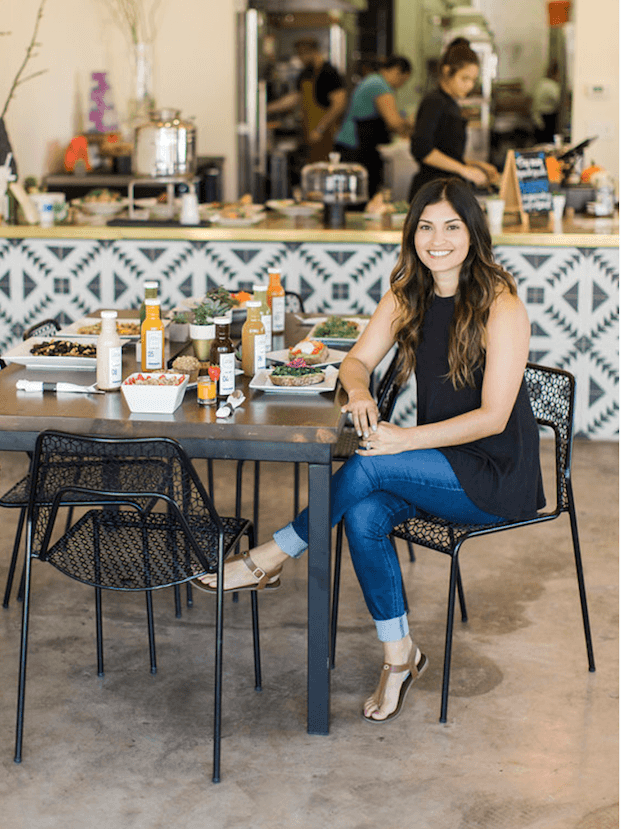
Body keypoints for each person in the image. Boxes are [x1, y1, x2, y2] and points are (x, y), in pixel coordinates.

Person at [194, 177, 544, 724]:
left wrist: (403, 438)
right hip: (438, 463)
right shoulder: (409, 294)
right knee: (361, 512)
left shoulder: (502, 306)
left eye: (452, 226)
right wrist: (357, 390)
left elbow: (493, 417)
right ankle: (399, 655)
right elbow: (354, 361)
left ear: (473, 233)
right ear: (412, 234)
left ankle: (271, 555)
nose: (438, 240)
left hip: (495, 473)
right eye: (426, 227)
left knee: (367, 462)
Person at [409, 42, 498, 201]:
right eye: (464, 78)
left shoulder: (451, 103)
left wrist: (475, 165)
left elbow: (447, 152)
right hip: (431, 191)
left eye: (473, 80)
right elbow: (422, 149)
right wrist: (464, 170)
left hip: (446, 189)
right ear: (447, 71)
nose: (469, 85)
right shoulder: (434, 102)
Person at [334, 55, 413, 198]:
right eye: (403, 80)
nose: (400, 85)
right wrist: (412, 124)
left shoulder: (372, 80)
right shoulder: (379, 84)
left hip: (350, 145)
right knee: (357, 197)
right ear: (396, 71)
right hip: (355, 148)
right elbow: (393, 122)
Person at [266, 37, 347, 164]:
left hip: (326, 135)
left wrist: (320, 128)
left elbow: (339, 104)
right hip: (309, 134)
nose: (299, 58)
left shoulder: (329, 72)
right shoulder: (306, 73)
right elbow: (295, 98)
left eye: (300, 54)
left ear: (311, 52)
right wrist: (266, 108)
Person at [531, 62, 561, 144]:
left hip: (537, 116)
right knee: (547, 142)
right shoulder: (552, 85)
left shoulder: (542, 82)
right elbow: (559, 100)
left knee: (540, 142)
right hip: (546, 117)